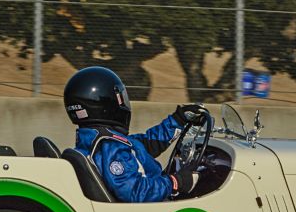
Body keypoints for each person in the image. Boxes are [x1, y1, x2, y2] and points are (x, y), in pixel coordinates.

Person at [64, 66, 205, 202]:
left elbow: (147, 145)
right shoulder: (109, 146)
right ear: (107, 102)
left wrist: (178, 119)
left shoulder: (96, 140)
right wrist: (176, 182)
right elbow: (134, 192)